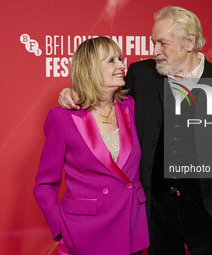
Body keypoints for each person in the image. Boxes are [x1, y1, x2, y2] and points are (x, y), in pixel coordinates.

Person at [59, 6, 212, 255]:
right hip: (155, 213)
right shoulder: (141, 75)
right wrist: (73, 94)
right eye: (154, 42)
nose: (155, 51)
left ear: (189, 43)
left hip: (210, 210)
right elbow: (101, 98)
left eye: (162, 43)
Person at [33, 36, 149, 255]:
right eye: (112, 60)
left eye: (120, 58)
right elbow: (44, 184)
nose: (122, 65)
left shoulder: (132, 106)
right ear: (91, 69)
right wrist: (61, 227)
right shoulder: (63, 118)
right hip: (84, 235)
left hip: (130, 229)